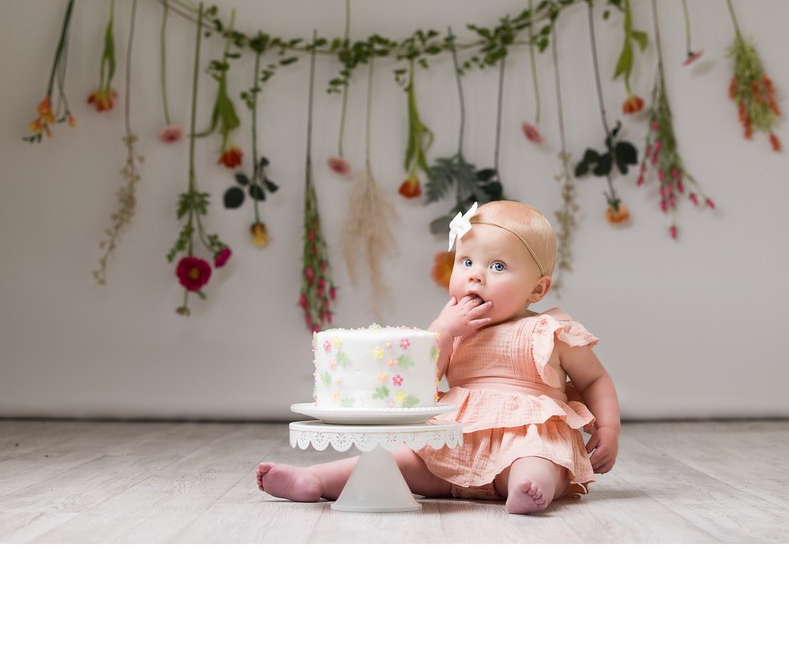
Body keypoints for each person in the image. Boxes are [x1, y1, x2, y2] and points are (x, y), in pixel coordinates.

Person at [257, 200, 620, 515]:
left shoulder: (549, 330)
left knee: (541, 461)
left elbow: (594, 379)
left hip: (525, 438)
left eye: (497, 267)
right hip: (454, 447)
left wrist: (608, 428)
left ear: (537, 288)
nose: (475, 276)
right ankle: (315, 480)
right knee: (392, 461)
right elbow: (420, 384)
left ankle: (527, 488)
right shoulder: (450, 329)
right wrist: (444, 332)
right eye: (466, 261)